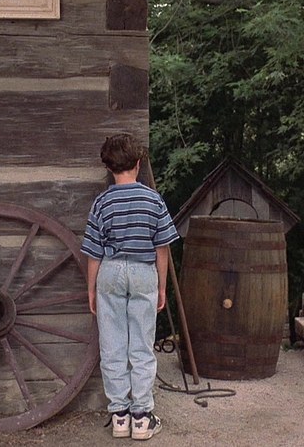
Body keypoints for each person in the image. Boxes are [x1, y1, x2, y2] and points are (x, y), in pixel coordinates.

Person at [81, 133, 179, 441]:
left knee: (112, 345)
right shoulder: (153, 200)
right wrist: (161, 287)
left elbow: (94, 253)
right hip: (143, 272)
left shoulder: (102, 202)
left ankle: (119, 416)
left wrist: (91, 289)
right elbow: (162, 248)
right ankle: (141, 417)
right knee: (141, 345)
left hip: (110, 271)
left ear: (109, 167)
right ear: (138, 164)